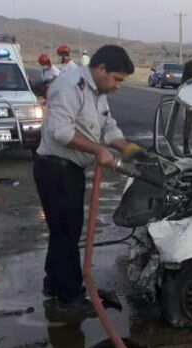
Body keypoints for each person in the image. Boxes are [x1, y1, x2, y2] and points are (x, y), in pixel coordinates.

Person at [34, 45, 142, 308]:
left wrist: (123, 145)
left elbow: (107, 124)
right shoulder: (71, 85)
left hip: (69, 170)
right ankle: (70, 297)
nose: (118, 86)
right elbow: (60, 131)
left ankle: (54, 283)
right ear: (101, 69)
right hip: (55, 169)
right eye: (117, 79)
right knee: (66, 232)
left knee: (63, 231)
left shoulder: (97, 91)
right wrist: (97, 149)